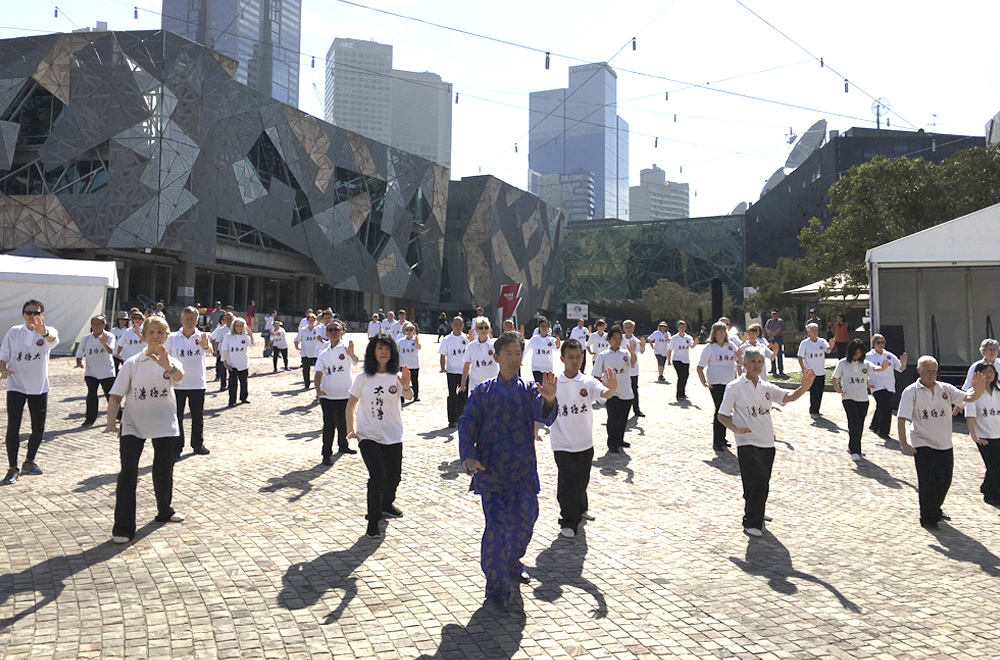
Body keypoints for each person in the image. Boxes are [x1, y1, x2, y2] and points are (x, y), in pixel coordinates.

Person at [458, 331, 558, 610]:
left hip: (522, 470)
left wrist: (549, 399)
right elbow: (467, 424)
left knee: (526, 521)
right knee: (497, 529)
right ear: (496, 356)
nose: (514, 359)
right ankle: (497, 587)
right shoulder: (483, 392)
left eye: (518, 354)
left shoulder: (529, 391)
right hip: (491, 472)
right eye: (509, 354)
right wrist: (468, 455)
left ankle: (513, 562)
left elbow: (544, 415)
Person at [717, 347, 816, 537]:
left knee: (763, 480)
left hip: (767, 441)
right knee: (756, 479)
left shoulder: (766, 387)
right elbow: (722, 415)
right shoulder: (735, 387)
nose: (756, 365)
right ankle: (751, 521)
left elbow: (787, 397)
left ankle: (758, 511)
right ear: (745, 364)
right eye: (752, 362)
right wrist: (735, 429)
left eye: (759, 362)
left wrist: (803, 387)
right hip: (746, 441)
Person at [103, 315, 185, 543]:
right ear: (143, 335)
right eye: (152, 332)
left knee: (163, 469)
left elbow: (179, 377)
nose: (156, 336)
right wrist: (111, 422)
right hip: (133, 423)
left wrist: (166, 366)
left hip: (164, 422)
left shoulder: (172, 361)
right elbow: (116, 396)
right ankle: (123, 527)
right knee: (128, 472)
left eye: (161, 333)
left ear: (167, 336)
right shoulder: (131, 363)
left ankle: (164, 510)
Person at [897, 356, 987, 530]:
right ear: (919, 371)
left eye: (934, 372)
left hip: (944, 442)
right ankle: (928, 518)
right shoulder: (911, 391)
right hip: (922, 441)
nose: (931, 375)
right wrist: (903, 442)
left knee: (945, 480)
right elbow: (902, 418)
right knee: (928, 481)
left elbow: (968, 398)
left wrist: (979, 390)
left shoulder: (945, 388)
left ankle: (935, 508)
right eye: (928, 371)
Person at [346, 335, 412, 538]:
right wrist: (351, 429)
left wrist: (407, 385)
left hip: (393, 435)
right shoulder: (363, 378)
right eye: (379, 348)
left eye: (387, 349)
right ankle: (373, 520)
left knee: (394, 477)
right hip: (368, 436)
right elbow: (350, 405)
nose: (383, 352)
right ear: (373, 352)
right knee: (377, 476)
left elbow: (408, 396)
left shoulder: (396, 377)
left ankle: (386, 503)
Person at [551, 339, 616, 538]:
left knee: (581, 480)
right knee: (568, 482)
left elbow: (604, 393)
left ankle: (581, 507)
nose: (575, 361)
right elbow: (544, 408)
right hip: (562, 444)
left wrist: (612, 388)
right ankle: (569, 521)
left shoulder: (588, 382)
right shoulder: (554, 383)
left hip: (584, 443)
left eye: (578, 357)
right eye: (570, 357)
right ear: (562, 358)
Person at [0, 300, 60, 485]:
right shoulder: (14, 332)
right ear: (23, 314)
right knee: (13, 427)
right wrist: (3, 369)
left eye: (37, 313)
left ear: (43, 315)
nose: (32, 316)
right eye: (29, 312)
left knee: (38, 428)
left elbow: (53, 341)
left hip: (38, 387)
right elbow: (3, 357)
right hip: (16, 385)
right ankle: (12, 467)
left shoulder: (49, 331)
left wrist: (44, 333)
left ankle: (29, 461)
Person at [165, 306, 212, 455]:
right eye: (187, 319)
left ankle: (197, 444)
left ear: (197, 320)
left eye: (192, 319)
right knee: (177, 417)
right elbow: (165, 356)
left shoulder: (201, 336)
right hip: (177, 384)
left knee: (197, 416)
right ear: (181, 320)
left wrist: (205, 346)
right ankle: (177, 447)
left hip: (197, 383)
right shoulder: (172, 337)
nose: (189, 322)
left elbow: (209, 350)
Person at [833, 338, 886, 462]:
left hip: (863, 399)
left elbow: (875, 369)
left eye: (860, 353)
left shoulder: (865, 364)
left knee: (860, 424)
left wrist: (883, 368)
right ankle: (855, 450)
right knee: (854, 422)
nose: (858, 355)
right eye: (856, 352)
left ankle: (854, 446)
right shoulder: (842, 363)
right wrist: (838, 389)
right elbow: (835, 378)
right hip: (848, 397)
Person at [315, 322, 360, 462]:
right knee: (329, 424)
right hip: (328, 395)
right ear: (326, 334)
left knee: (344, 422)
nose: (334, 332)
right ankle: (326, 453)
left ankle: (343, 445)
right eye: (330, 330)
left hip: (345, 393)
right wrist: (318, 390)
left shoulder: (346, 348)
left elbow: (356, 361)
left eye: (337, 329)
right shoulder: (323, 352)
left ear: (342, 332)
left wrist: (352, 355)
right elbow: (318, 373)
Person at [592, 325, 636, 453]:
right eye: (615, 338)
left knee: (623, 418)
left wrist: (633, 353)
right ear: (609, 339)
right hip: (611, 393)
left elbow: (632, 363)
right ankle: (612, 442)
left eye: (619, 338)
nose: (617, 340)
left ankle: (620, 439)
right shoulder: (603, 356)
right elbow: (596, 375)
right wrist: (600, 390)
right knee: (613, 418)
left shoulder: (625, 354)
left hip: (626, 391)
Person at [698, 321, 740, 452]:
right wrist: (704, 382)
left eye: (723, 331)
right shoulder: (709, 347)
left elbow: (739, 362)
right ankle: (716, 441)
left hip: (729, 382)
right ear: (714, 333)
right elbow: (700, 367)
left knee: (726, 410)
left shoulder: (730, 345)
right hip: (715, 382)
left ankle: (723, 438)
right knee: (719, 409)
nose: (721, 334)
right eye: (719, 331)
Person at [965, 363, 1000, 506]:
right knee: (993, 465)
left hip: (998, 433)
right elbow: (970, 416)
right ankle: (990, 494)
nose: (989, 374)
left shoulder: (998, 391)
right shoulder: (973, 393)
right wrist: (975, 436)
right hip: (984, 435)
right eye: (985, 372)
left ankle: (988, 488)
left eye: (991, 371)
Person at [75, 315, 116, 427]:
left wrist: (104, 344)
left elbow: (111, 350)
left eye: (99, 324)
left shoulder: (109, 336)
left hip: (106, 372)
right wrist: (79, 362)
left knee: (110, 395)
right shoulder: (86, 338)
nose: (96, 326)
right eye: (94, 324)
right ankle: (90, 419)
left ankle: (118, 415)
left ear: (104, 325)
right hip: (91, 372)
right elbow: (80, 352)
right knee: (91, 395)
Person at [865, 334, 907, 439]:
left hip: (889, 385)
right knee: (886, 407)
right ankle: (883, 431)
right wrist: (866, 383)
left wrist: (903, 364)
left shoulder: (890, 356)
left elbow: (900, 369)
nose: (881, 345)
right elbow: (864, 370)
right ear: (873, 344)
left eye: (883, 342)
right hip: (876, 385)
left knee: (882, 406)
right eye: (878, 343)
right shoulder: (868, 356)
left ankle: (874, 425)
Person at [797, 322, 833, 416]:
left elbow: (828, 350)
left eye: (816, 330)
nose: (815, 332)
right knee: (813, 391)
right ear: (808, 332)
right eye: (813, 330)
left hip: (821, 371)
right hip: (811, 372)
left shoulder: (822, 341)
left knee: (820, 391)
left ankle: (817, 409)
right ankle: (813, 410)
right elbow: (800, 357)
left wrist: (831, 345)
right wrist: (803, 369)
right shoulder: (805, 343)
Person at [439, 316, 469, 427]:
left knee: (463, 395)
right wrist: (443, 367)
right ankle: (451, 419)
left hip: (464, 372)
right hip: (451, 371)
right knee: (452, 395)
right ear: (451, 325)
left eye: (460, 324)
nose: (457, 326)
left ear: (463, 326)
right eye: (455, 324)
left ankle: (460, 417)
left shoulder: (466, 339)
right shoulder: (447, 339)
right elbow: (443, 354)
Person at [460, 318, 497, 395]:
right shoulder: (471, 346)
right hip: (475, 385)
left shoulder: (495, 345)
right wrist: (462, 384)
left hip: (492, 385)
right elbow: (467, 365)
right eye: (481, 328)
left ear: (489, 329)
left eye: (486, 327)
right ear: (476, 330)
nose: (483, 330)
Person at [221, 317, 252, 407]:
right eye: (237, 326)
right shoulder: (228, 336)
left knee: (244, 382)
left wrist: (251, 335)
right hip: (232, 363)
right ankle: (232, 400)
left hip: (243, 363)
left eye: (240, 326)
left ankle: (243, 397)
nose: (238, 328)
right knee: (232, 384)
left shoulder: (245, 337)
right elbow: (224, 349)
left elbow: (252, 346)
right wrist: (225, 362)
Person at [523, 316, 560, 384]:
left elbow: (556, 348)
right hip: (536, 367)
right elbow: (525, 350)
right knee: (539, 386)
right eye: (542, 326)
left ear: (548, 328)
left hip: (548, 368)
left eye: (546, 326)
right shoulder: (534, 339)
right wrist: (521, 360)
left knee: (547, 388)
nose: (544, 328)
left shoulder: (551, 340)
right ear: (539, 328)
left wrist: (557, 345)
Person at [295, 313, 327, 390]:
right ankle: (307, 384)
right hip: (305, 353)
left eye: (313, 320)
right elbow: (296, 339)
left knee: (318, 369)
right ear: (307, 321)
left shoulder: (317, 330)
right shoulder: (303, 330)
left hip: (316, 353)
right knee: (306, 369)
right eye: (310, 320)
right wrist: (297, 347)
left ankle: (318, 384)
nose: (311, 322)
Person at [622, 320, 646, 418]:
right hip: (621, 369)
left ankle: (636, 410)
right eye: (627, 327)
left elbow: (642, 352)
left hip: (633, 369)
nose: (629, 329)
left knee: (634, 389)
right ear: (623, 328)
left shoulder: (636, 341)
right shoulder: (620, 339)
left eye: (631, 327)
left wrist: (643, 346)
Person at [667, 320, 696, 400]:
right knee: (681, 376)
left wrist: (695, 343)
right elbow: (670, 349)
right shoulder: (674, 338)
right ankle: (679, 394)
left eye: (683, 327)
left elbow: (692, 346)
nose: (682, 329)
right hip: (677, 359)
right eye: (681, 327)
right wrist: (668, 360)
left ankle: (682, 393)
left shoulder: (688, 337)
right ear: (678, 328)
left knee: (686, 376)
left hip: (686, 359)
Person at [396, 322, 421, 401]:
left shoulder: (415, 340)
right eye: (407, 330)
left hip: (414, 364)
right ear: (404, 331)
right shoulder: (400, 341)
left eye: (411, 329)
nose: (409, 331)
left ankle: (416, 395)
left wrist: (417, 343)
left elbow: (419, 347)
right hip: (403, 364)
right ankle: (402, 396)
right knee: (402, 381)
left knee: (414, 380)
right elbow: (396, 351)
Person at [209, 312, 232, 390]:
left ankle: (231, 384)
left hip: (233, 352)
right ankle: (223, 384)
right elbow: (217, 341)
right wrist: (215, 351)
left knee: (232, 369)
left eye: (230, 318)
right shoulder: (221, 330)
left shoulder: (235, 329)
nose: (229, 320)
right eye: (227, 318)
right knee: (223, 369)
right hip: (223, 351)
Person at [763, 310, 786, 376]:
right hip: (771, 339)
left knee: (779, 355)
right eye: (773, 314)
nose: (774, 315)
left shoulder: (780, 321)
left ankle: (781, 370)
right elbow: (766, 328)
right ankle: (773, 370)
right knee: (772, 354)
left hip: (778, 338)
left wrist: (772, 333)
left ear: (778, 314)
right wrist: (771, 334)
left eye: (775, 314)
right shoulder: (769, 321)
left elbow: (779, 329)